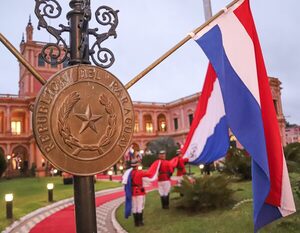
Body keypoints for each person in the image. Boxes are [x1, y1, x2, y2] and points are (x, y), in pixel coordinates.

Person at [122, 158, 160, 227]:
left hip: (132, 192)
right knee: (139, 206)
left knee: (134, 207)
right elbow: (150, 174)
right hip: (139, 191)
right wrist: (155, 168)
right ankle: (140, 222)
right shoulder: (140, 172)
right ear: (137, 165)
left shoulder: (128, 173)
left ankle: (136, 223)